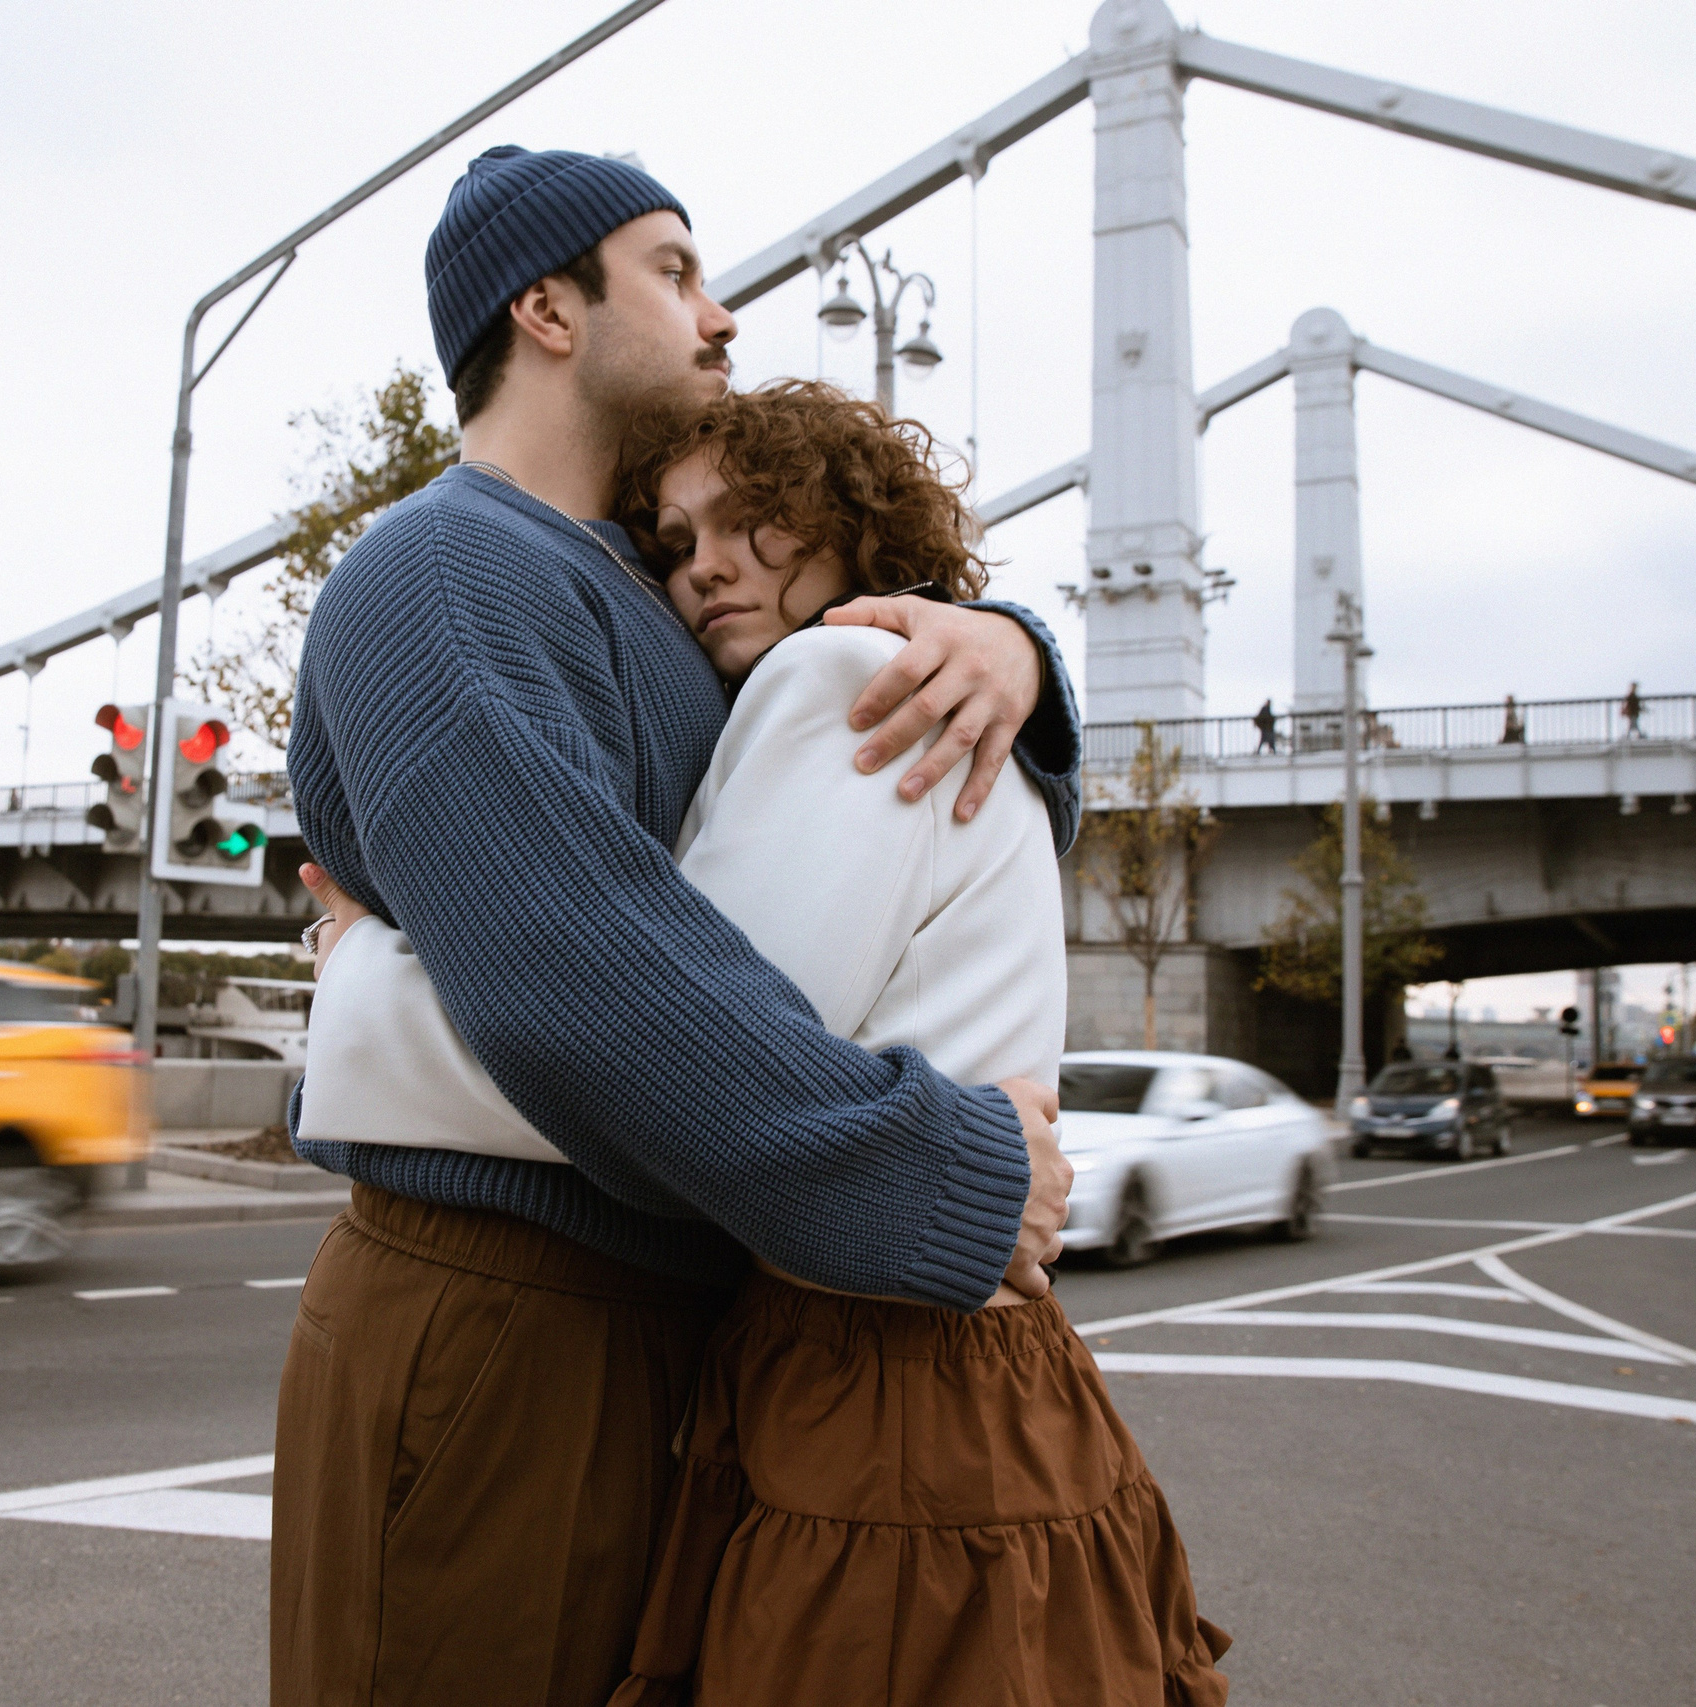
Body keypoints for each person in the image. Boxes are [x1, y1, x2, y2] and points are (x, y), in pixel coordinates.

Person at [271, 148, 1083, 1706]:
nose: (720, 316)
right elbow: (587, 988)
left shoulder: (653, 606)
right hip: (507, 1314)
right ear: (548, 307)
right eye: (673, 268)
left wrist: (1010, 652)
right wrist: (945, 1171)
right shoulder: (442, 570)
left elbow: (867, 856)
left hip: (670, 1316)